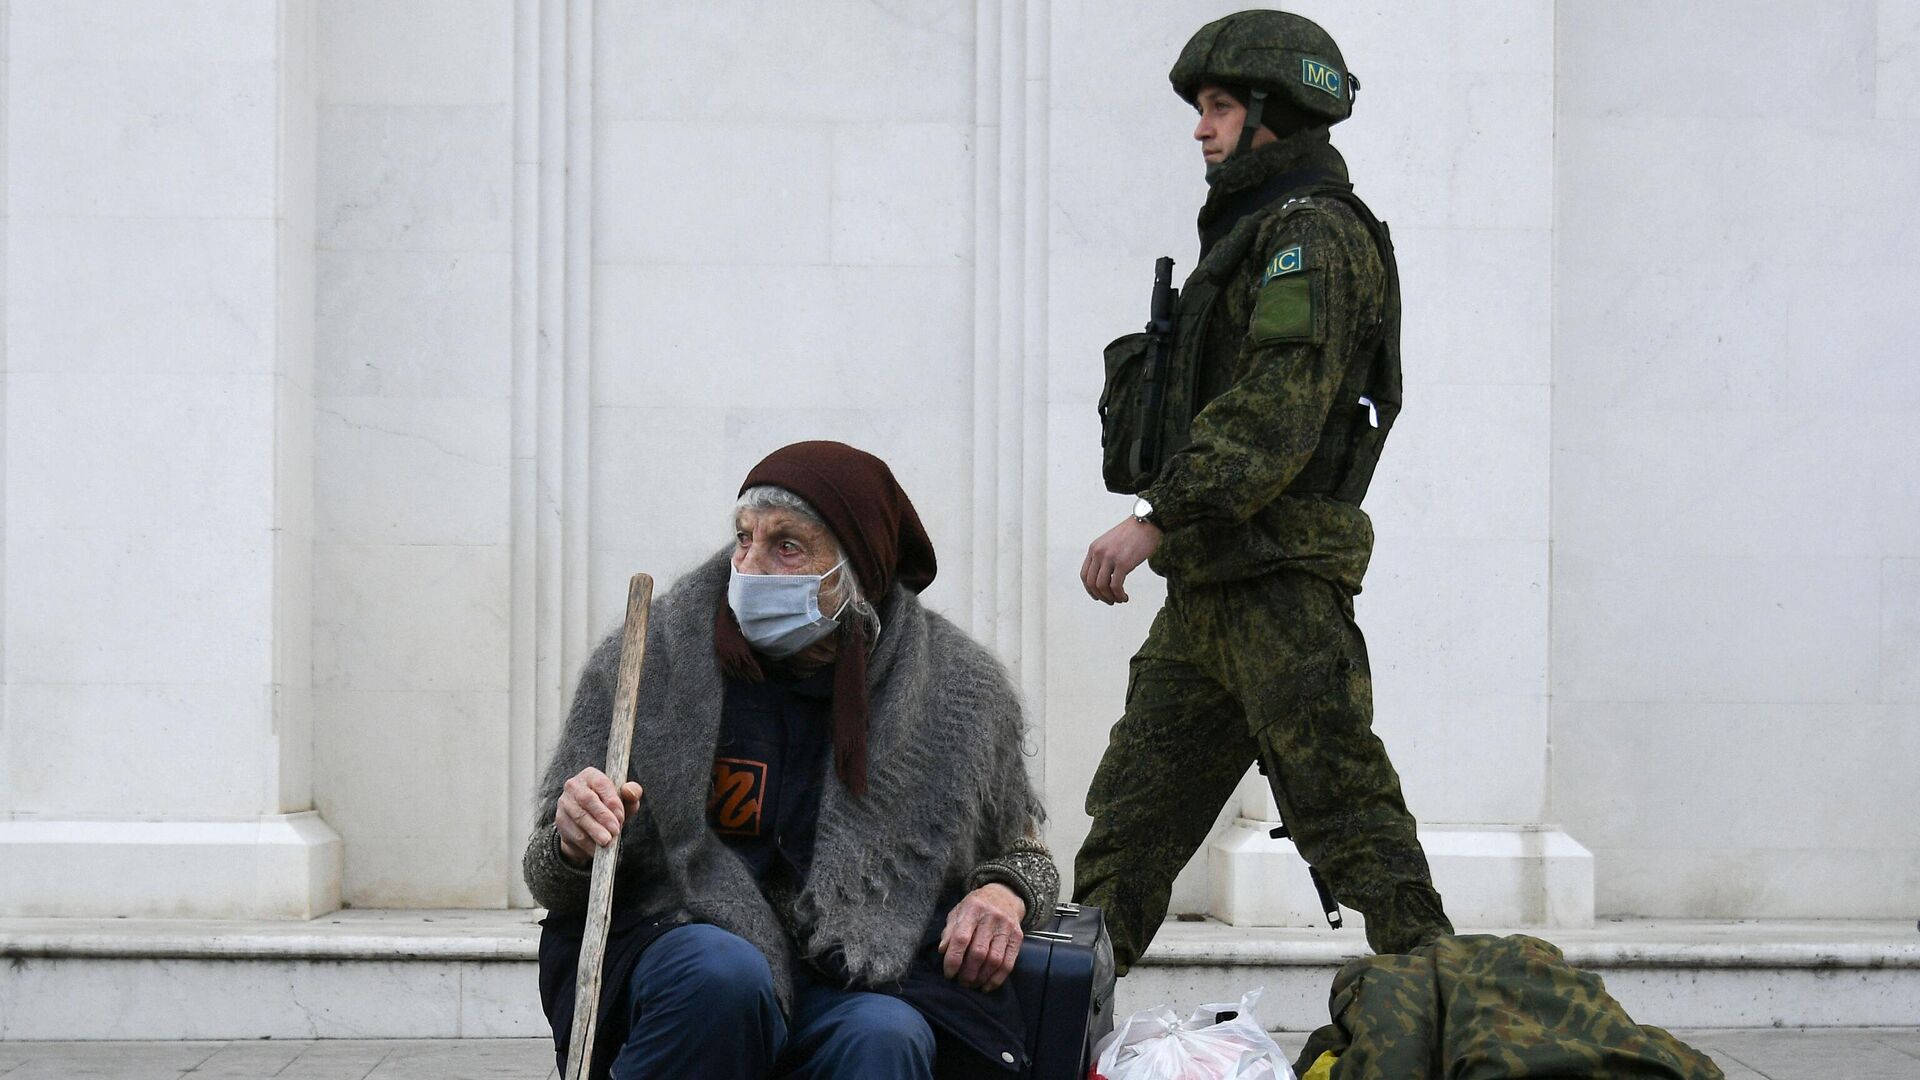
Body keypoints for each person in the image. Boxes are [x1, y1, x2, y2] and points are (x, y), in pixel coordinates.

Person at [1072, 10, 1453, 972]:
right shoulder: (1246, 238)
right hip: (1210, 592)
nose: (1203, 129)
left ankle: (1458, 1028)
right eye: (1204, 108)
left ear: (1275, 116)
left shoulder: (1311, 240)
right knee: (1127, 831)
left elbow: (1276, 412)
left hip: (1280, 589)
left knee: (1355, 827)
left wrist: (1156, 516)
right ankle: (1052, 1029)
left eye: (1221, 107)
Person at [525, 440, 1058, 1080]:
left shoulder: (958, 691)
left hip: (852, 971)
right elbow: (546, 877)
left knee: (884, 1037)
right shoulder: (648, 661)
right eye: (743, 538)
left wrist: (1005, 892)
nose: (747, 566)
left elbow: (1026, 856)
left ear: (859, 567)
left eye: (787, 545)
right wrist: (572, 842)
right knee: (725, 976)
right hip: (678, 947)